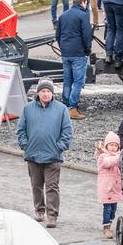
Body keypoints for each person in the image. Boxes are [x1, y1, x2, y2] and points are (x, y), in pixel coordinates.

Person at [19, 79, 74, 228]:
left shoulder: (61, 109)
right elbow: (21, 130)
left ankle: (52, 215)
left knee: (52, 187)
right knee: (36, 185)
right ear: (38, 93)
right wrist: (26, 146)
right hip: (33, 155)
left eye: (48, 91)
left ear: (52, 93)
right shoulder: (28, 109)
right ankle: (39, 210)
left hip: (53, 156)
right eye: (43, 91)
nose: (46, 94)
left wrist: (59, 147)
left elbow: (67, 131)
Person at [56, 0, 93, 114]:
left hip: (66, 53)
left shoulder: (63, 16)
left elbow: (58, 35)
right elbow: (87, 36)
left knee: (67, 80)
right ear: (83, 2)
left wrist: (63, 48)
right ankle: (73, 106)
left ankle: (65, 104)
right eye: (86, 3)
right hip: (78, 53)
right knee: (78, 81)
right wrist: (87, 50)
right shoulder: (83, 16)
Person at [96, 133, 123, 239]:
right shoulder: (103, 157)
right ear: (106, 146)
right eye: (111, 145)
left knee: (113, 209)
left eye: (115, 145)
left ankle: (109, 222)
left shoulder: (117, 157)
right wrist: (120, 156)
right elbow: (110, 162)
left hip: (115, 188)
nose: (113, 147)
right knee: (107, 208)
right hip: (106, 188)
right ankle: (106, 227)